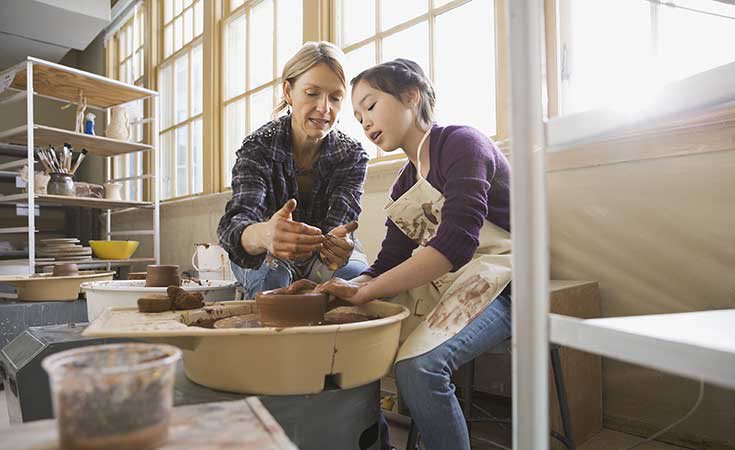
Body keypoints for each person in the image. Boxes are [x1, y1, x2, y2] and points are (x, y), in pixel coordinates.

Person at [316, 59, 513, 450]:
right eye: (358, 117)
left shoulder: (461, 143)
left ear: (411, 95)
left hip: (503, 282)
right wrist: (342, 286)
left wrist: (366, 292)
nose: (365, 123)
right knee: (354, 340)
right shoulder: (405, 183)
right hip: (448, 283)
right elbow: (388, 263)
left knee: (419, 369)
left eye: (370, 106)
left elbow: (453, 248)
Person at [217, 41, 370, 298]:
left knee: (359, 281)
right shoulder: (259, 146)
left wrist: (340, 247)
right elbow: (235, 224)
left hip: (319, 256)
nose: (324, 108)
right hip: (264, 254)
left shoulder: (352, 155)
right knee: (275, 281)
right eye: (312, 93)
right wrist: (264, 234)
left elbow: (340, 227)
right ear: (289, 92)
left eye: (335, 97)